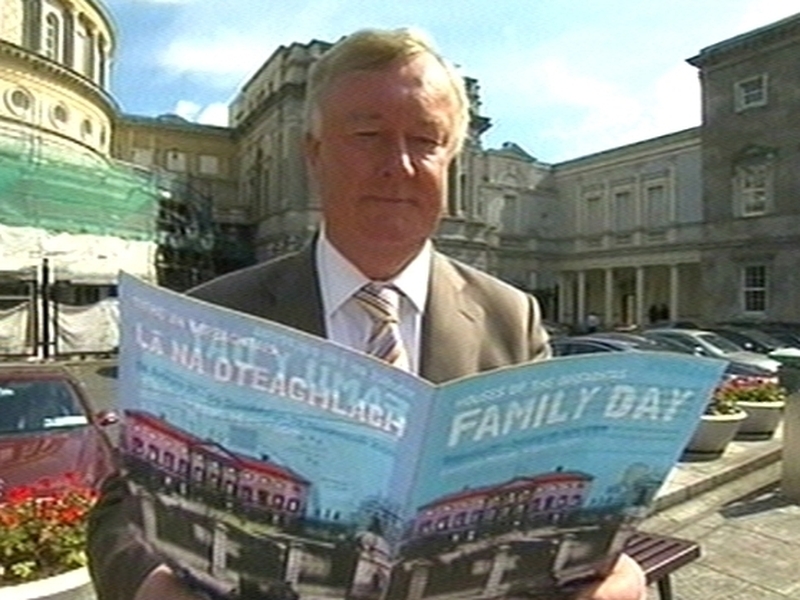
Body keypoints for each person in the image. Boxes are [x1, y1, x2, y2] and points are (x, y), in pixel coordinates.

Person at [87, 27, 647, 600]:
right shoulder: (211, 317)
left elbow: (561, 503)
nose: (398, 165)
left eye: (425, 140)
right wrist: (146, 585)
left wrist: (610, 576)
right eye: (368, 135)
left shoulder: (513, 317)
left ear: (450, 159)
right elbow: (123, 509)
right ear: (315, 152)